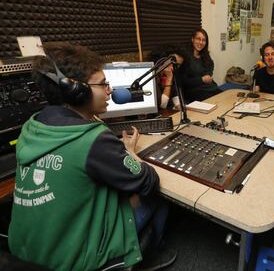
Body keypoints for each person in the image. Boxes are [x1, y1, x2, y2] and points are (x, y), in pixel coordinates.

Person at [8, 42, 176, 271]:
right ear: (77, 90)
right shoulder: (92, 139)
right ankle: (149, 256)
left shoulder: (33, 125)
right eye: (103, 84)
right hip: (76, 260)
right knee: (158, 193)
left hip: (27, 253)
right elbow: (147, 180)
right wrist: (130, 153)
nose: (109, 90)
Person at [181, 28, 222, 102]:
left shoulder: (205, 55)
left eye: (203, 40)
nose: (201, 42)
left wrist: (208, 76)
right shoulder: (185, 57)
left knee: (224, 98)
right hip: (195, 92)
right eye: (198, 39)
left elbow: (210, 67)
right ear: (192, 39)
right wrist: (201, 79)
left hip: (210, 88)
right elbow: (183, 81)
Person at [149, 44, 185, 110]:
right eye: (173, 63)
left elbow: (177, 102)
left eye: (178, 65)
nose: (174, 68)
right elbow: (162, 105)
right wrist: (169, 79)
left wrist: (183, 109)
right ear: (163, 60)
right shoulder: (152, 77)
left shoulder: (172, 75)